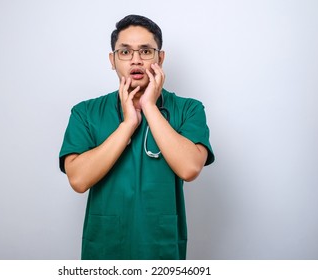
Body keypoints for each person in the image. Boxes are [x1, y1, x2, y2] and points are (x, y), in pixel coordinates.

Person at [59, 14, 214, 260]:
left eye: (145, 51)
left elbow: (189, 168)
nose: (135, 60)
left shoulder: (189, 109)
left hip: (160, 246)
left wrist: (149, 107)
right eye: (125, 52)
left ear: (160, 58)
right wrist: (128, 124)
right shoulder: (85, 112)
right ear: (112, 60)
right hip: (105, 245)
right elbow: (78, 180)